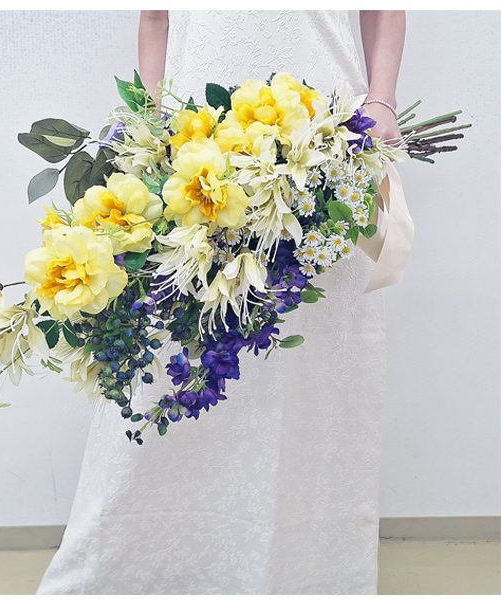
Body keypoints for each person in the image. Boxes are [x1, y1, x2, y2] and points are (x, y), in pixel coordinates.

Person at [37, 10, 406, 594]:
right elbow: (156, 16)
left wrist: (382, 101)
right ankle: (151, 569)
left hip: (327, 140)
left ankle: (307, 573)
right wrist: (151, 120)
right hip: (194, 146)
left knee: (313, 370)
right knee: (170, 353)